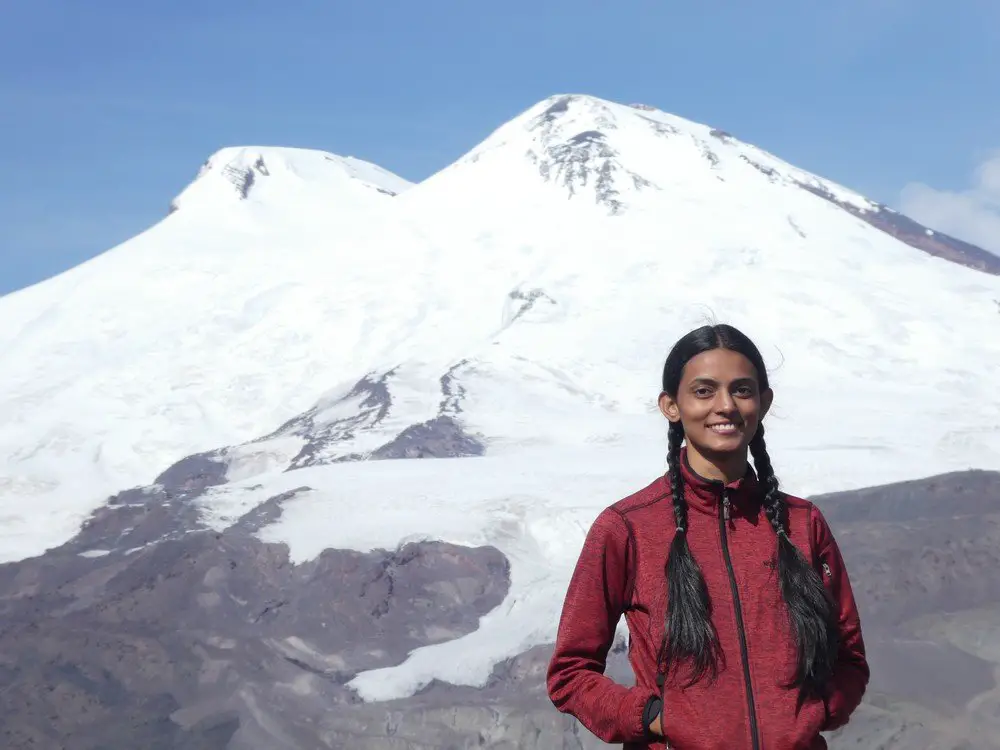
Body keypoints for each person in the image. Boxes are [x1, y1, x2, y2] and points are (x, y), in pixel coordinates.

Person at [546, 324, 869, 749]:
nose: (725, 406)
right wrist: (656, 719)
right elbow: (570, 673)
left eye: (741, 390)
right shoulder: (627, 527)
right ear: (671, 406)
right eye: (703, 391)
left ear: (764, 403)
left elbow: (849, 657)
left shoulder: (802, 523)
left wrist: (812, 714)